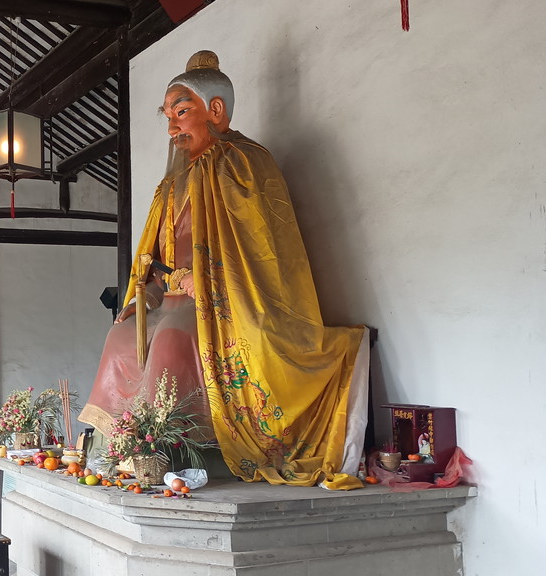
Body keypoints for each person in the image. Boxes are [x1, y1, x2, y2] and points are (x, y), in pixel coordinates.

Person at [78, 51, 367, 488]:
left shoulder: (244, 163)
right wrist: (145, 296)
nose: (172, 128)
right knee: (119, 337)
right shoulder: (169, 187)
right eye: (167, 117)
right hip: (172, 301)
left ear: (215, 109)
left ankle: (175, 449)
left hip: (225, 305)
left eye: (181, 112)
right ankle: (122, 447)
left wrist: (207, 282)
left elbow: (261, 252)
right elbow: (153, 263)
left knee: (172, 340)